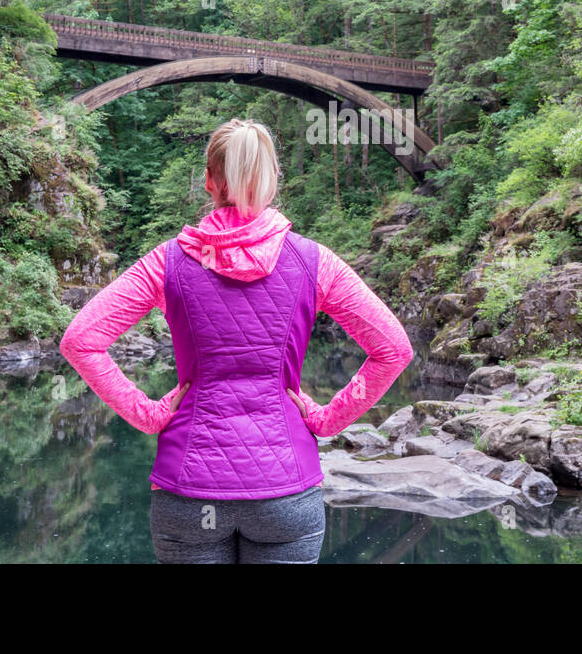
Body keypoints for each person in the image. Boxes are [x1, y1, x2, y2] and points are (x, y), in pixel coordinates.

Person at [59, 117, 414, 563]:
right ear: (271, 182)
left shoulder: (166, 263)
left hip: (190, 492)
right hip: (285, 493)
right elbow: (393, 350)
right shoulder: (314, 263)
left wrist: (148, 414)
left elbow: (80, 340)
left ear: (209, 181)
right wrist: (325, 420)